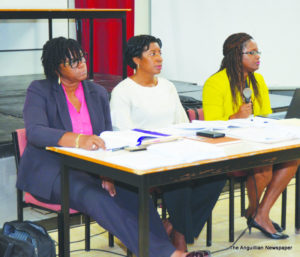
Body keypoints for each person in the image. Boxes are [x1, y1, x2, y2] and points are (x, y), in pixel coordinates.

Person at [16, 36, 206, 257]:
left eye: (82, 58)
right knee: (94, 196)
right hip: (54, 171)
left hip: (93, 168)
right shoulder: (40, 90)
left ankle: (161, 249)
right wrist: (79, 139)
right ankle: (169, 254)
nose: (82, 64)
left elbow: (107, 137)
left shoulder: (96, 93)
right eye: (73, 61)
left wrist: (109, 174)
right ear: (56, 67)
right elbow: (36, 132)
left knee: (135, 191)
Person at [110, 34, 226, 253]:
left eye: (160, 53)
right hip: (143, 158)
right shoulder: (123, 91)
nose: (159, 59)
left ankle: (174, 227)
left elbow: (182, 124)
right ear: (136, 59)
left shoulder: (167, 86)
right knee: (178, 180)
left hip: (175, 151)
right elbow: (124, 134)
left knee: (217, 176)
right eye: (152, 54)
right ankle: (180, 239)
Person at [203, 32, 299, 239]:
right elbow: (210, 126)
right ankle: (258, 213)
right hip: (227, 146)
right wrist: (234, 117)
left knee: (292, 157)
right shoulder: (215, 83)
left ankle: (259, 213)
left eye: (258, 52)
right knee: (263, 167)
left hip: (254, 142)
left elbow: (264, 115)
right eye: (252, 52)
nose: (258, 57)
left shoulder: (258, 80)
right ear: (236, 56)